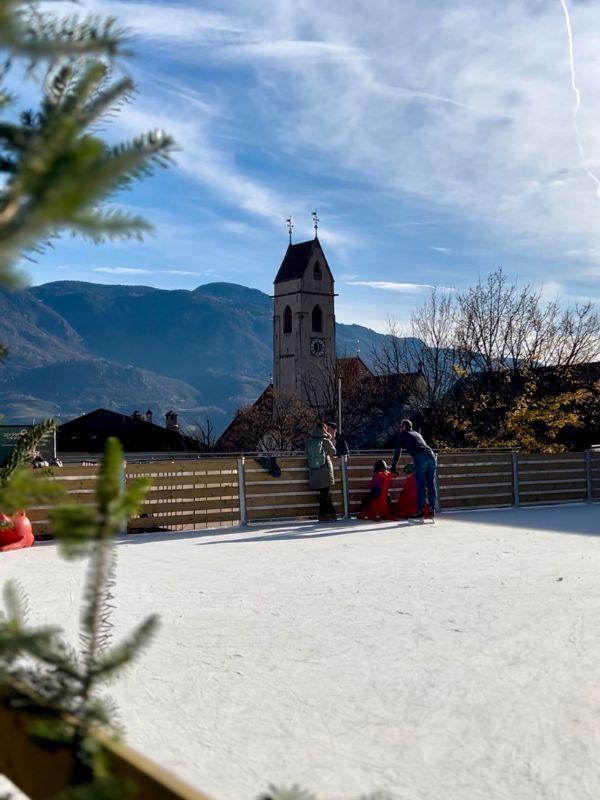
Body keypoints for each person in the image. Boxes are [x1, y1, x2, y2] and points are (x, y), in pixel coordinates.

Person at [390, 419, 437, 518]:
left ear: (404, 427)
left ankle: (420, 510)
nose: (399, 429)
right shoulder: (417, 434)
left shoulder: (402, 435)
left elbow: (397, 453)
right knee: (430, 484)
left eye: (400, 426)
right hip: (431, 455)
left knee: (420, 485)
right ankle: (432, 508)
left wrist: (393, 468)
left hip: (420, 457)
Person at [305, 421, 337, 521]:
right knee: (325, 493)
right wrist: (329, 438)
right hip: (324, 469)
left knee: (325, 492)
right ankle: (322, 515)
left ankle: (332, 513)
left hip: (314, 471)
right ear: (324, 429)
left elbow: (307, 454)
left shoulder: (309, 441)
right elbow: (333, 451)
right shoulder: (325, 440)